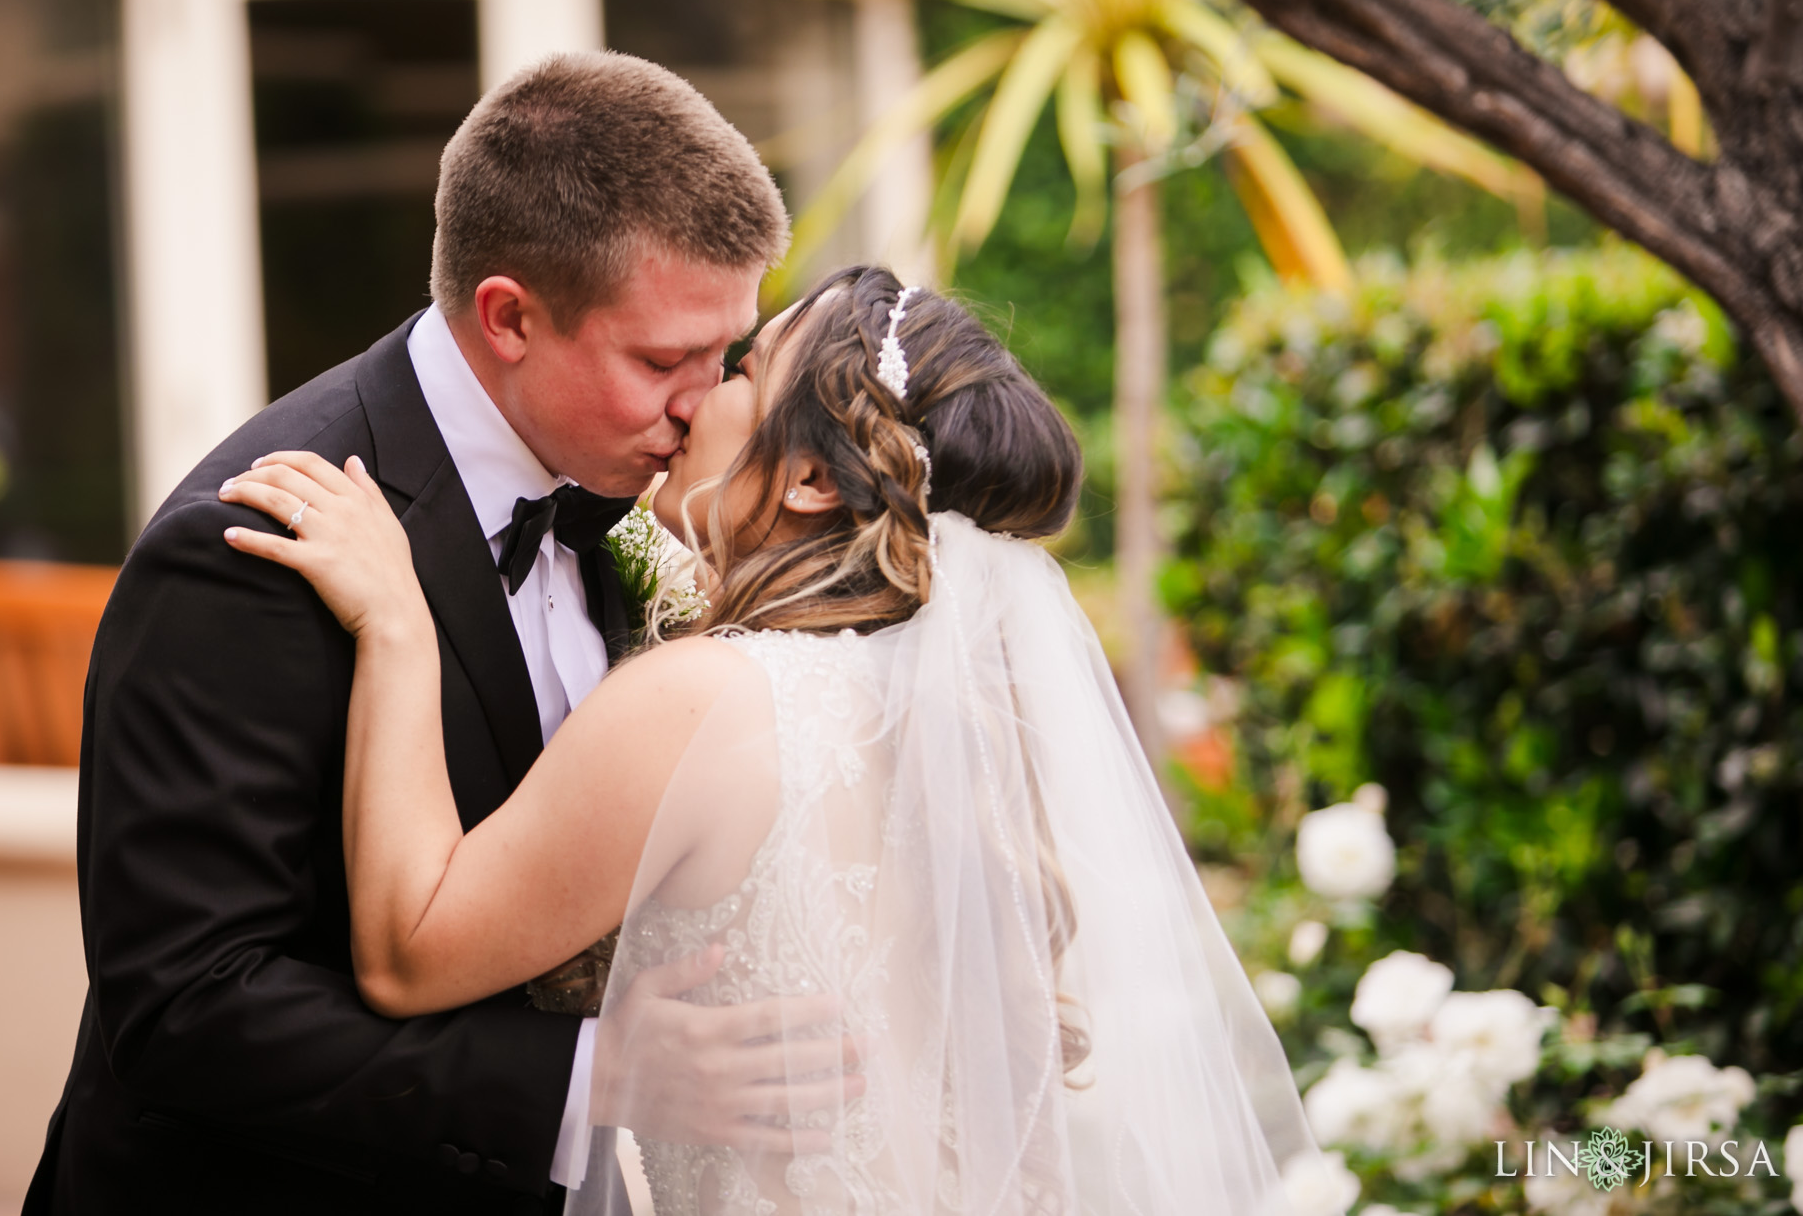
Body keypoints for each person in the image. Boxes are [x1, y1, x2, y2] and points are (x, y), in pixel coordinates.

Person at [216, 266, 1322, 1215]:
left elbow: (410, 956)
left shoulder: (706, 701)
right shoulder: (943, 731)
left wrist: (399, 627)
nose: (700, 395)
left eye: (744, 370)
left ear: (805, 479)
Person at [23, 52, 806, 1215]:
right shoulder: (248, 548)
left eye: (725, 356)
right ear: (508, 318)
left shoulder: (616, 499)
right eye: (659, 361)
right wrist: (589, 1078)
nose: (701, 407)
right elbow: (186, 1009)